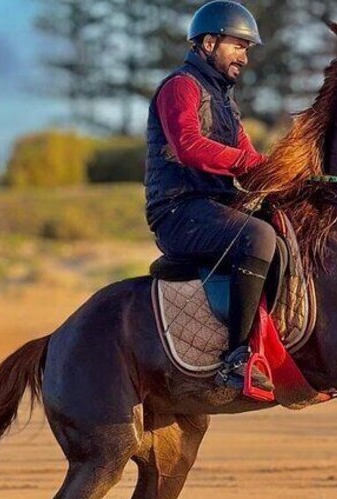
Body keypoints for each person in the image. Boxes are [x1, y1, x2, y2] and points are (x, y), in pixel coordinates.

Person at [144, 0, 276, 392]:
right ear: (207, 42)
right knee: (260, 237)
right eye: (237, 45)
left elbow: (250, 158)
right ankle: (238, 356)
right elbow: (188, 145)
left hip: (212, 206)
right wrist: (250, 164)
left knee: (283, 221)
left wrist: (292, 175)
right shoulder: (181, 87)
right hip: (177, 211)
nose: (244, 58)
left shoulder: (224, 102)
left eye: (247, 49)